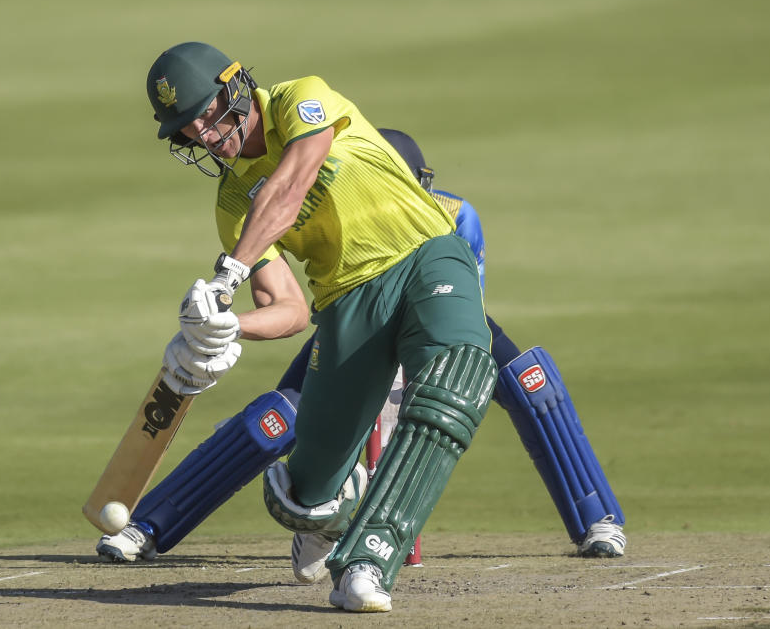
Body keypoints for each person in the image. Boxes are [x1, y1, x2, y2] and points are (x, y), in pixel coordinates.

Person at [127, 41, 500, 613]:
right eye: (187, 128)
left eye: (206, 112)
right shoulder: (231, 201)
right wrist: (227, 326)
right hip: (348, 303)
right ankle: (327, 513)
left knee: (458, 378)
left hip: (427, 254)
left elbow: (291, 184)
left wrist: (229, 273)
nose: (202, 132)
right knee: (299, 495)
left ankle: (371, 558)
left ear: (235, 87)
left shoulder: (301, 99)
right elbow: (290, 309)